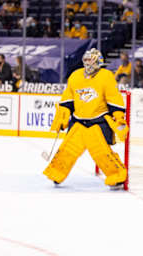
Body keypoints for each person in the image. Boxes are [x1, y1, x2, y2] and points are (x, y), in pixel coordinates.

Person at [43, 48, 128, 189]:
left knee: (101, 152)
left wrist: (118, 117)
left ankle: (117, 175)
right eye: (86, 60)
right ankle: (56, 173)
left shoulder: (106, 76)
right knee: (66, 150)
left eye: (91, 60)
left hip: (98, 121)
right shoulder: (75, 76)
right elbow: (67, 99)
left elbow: (114, 99)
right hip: (78, 121)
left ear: (98, 62)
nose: (88, 63)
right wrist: (63, 114)